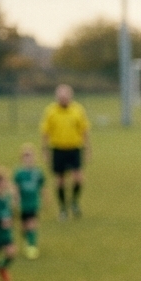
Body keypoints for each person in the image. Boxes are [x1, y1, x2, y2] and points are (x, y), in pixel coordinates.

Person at [40, 83, 89, 220]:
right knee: (60, 180)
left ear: (70, 96)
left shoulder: (78, 110)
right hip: (58, 148)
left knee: (78, 177)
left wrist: (87, 149)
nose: (63, 99)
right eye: (61, 97)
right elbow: (45, 132)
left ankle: (74, 202)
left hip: (74, 148)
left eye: (66, 96)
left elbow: (84, 130)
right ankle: (62, 208)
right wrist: (45, 150)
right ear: (57, 97)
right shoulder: (51, 111)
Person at [13, 144, 45, 259]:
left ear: (34, 158)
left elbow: (42, 186)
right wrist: (15, 200)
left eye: (30, 156)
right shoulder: (19, 173)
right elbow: (15, 188)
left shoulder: (38, 172)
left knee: (32, 224)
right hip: (23, 204)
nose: (28, 159)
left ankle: (32, 247)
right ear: (22, 159)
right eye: (25, 156)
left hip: (34, 203)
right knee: (24, 227)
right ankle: (28, 239)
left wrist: (44, 197)